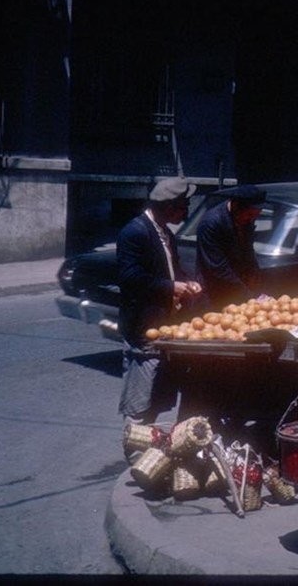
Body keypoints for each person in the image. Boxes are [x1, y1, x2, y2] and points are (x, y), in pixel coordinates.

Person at [117, 177, 203, 427]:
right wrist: (171, 287)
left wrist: (187, 282)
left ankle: (148, 447)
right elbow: (131, 278)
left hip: (164, 328)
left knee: (157, 396)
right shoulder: (134, 232)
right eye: (183, 207)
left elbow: (173, 270)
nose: (186, 213)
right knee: (140, 399)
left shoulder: (165, 233)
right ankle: (135, 454)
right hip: (143, 328)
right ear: (168, 207)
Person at [195, 185, 267, 308]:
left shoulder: (246, 219)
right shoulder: (211, 223)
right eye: (249, 215)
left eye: (255, 216)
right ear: (235, 206)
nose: (252, 220)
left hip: (239, 289)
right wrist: (249, 296)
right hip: (215, 292)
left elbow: (248, 251)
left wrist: (255, 281)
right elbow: (218, 268)